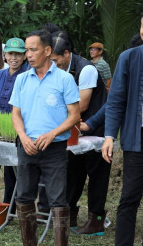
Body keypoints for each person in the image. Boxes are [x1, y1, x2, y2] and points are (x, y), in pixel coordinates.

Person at [10, 29, 80, 246]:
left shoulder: (65, 79)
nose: (28, 55)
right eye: (26, 50)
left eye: (33, 49)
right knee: (23, 197)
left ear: (47, 50)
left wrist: (52, 134)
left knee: (58, 199)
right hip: (27, 146)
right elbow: (16, 114)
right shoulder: (22, 79)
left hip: (55, 148)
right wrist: (22, 137)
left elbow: (75, 115)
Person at [50, 31, 109, 236]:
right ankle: (71, 214)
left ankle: (96, 219)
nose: (53, 64)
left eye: (56, 60)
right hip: (75, 129)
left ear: (67, 53)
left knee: (97, 173)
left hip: (96, 129)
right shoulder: (58, 69)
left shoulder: (87, 70)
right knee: (73, 171)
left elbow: (82, 105)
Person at [102, 14, 143, 246]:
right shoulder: (129, 58)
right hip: (137, 138)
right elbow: (116, 100)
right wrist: (109, 135)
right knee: (129, 197)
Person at [0, 37, 27, 213]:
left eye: (18, 54)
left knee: (11, 172)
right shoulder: (0, 75)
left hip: (15, 131)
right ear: (5, 55)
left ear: (24, 56)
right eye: (10, 54)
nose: (14, 57)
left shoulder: (26, 76)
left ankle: (10, 209)